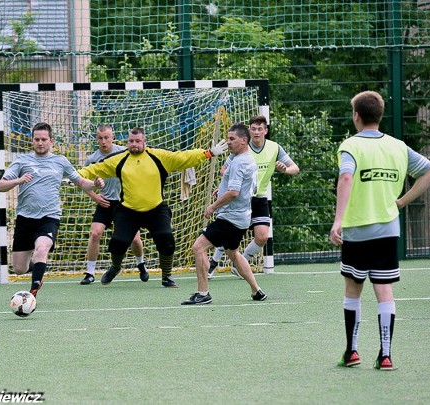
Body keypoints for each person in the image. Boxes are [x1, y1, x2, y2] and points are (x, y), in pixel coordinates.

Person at [330, 91, 430, 370]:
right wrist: (401, 202)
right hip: (388, 230)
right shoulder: (398, 146)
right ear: (380, 115)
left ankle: (352, 352)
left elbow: (345, 177)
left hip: (357, 230)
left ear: (356, 116)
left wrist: (338, 220)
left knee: (353, 289)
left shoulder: (351, 145)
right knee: (384, 290)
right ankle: (386, 355)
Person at [78, 127, 228, 288]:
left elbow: (183, 157)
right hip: (128, 210)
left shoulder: (159, 156)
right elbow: (94, 168)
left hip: (156, 209)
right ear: (127, 142)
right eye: (131, 141)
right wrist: (75, 176)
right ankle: (115, 267)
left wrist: (208, 153)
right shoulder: (119, 159)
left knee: (166, 239)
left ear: (145, 142)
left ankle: (166, 276)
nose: (134, 144)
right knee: (117, 242)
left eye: (137, 141)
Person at [0, 122, 104, 298]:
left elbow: (81, 182)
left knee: (42, 248)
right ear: (32, 141)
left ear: (51, 141)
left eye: (44, 139)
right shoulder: (22, 161)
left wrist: (95, 184)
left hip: (49, 217)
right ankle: (38, 268)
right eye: (37, 139)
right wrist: (19, 180)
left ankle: (32, 293)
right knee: (19, 268)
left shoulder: (60, 161)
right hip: (25, 218)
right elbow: (0, 186)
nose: (40, 143)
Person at [181, 123, 267, 305]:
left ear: (244, 141)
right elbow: (239, 188)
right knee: (233, 253)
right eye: (228, 138)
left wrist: (213, 206)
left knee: (198, 247)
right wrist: (220, 191)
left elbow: (234, 192)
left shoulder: (239, 162)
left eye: (231, 139)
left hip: (230, 218)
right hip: (242, 217)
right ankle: (256, 290)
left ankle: (203, 293)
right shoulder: (247, 158)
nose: (228, 142)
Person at [208, 114, 299, 278]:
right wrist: (226, 187)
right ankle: (213, 264)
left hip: (259, 198)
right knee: (228, 232)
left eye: (260, 129)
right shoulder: (241, 147)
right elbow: (224, 170)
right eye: (253, 129)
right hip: (240, 199)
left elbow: (295, 168)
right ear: (249, 131)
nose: (256, 132)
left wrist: (284, 170)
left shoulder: (274, 148)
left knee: (263, 236)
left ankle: (240, 263)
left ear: (266, 130)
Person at [81, 125, 147, 285]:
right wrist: (95, 197)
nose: (103, 141)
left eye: (106, 137)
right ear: (96, 139)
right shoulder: (92, 159)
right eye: (100, 138)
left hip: (125, 203)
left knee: (134, 239)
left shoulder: (125, 152)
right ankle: (89, 273)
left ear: (113, 137)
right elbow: (82, 182)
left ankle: (141, 265)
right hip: (104, 203)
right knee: (95, 234)